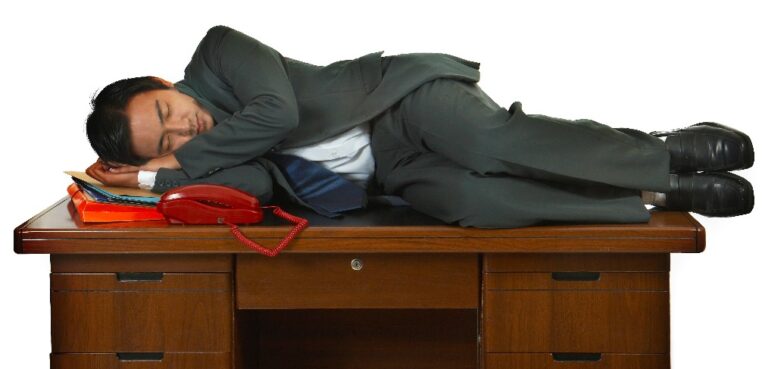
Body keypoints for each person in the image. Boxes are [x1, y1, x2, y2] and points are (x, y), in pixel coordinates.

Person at [84, 25, 754, 228]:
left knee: (489, 143)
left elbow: (279, 113)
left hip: (399, 101)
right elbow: (255, 190)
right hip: (394, 176)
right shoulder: (203, 155)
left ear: (161, 83)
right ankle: (649, 197)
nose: (185, 129)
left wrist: (181, 160)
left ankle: (661, 153)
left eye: (168, 113)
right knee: (476, 200)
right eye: (168, 141)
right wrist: (150, 181)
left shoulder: (218, 53)